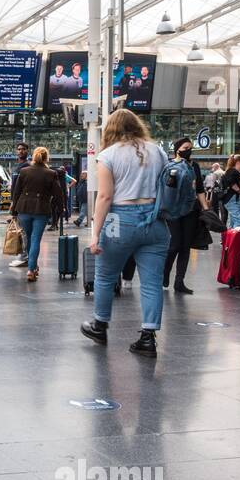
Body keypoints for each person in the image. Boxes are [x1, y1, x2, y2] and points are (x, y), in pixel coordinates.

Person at [80, 109, 171, 356]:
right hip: (155, 220)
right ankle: (148, 337)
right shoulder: (158, 151)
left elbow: (105, 196)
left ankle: (99, 325)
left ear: (111, 129)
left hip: (119, 218)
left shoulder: (108, 155)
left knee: (105, 275)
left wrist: (95, 233)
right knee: (152, 283)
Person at [161, 137, 208, 295]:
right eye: (186, 147)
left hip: (191, 209)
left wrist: (206, 209)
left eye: (190, 147)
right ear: (177, 149)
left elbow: (199, 189)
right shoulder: (169, 165)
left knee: (186, 246)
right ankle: (165, 274)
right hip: (173, 210)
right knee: (174, 244)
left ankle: (179, 281)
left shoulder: (194, 166)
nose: (189, 150)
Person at [9, 146, 64, 281]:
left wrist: (14, 210)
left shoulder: (24, 171)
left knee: (28, 238)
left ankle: (32, 267)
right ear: (46, 158)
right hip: (41, 209)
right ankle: (31, 269)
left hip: (24, 208)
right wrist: (61, 208)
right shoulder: (51, 173)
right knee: (35, 239)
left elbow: (17, 192)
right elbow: (58, 194)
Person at [220, 154, 240, 229]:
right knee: (239, 220)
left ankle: (230, 239)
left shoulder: (234, 171)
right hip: (233, 199)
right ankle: (237, 239)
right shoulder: (232, 171)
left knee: (234, 220)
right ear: (238, 162)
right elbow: (231, 182)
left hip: (234, 199)